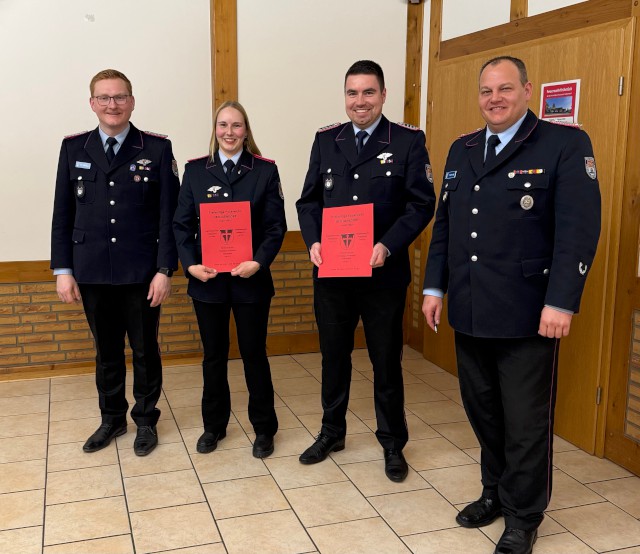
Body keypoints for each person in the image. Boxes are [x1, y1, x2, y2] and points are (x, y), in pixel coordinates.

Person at [422, 56, 601, 554]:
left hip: (529, 314)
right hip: (472, 309)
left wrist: (562, 301)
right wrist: (435, 288)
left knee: (525, 422)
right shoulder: (462, 149)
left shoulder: (564, 144)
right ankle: (494, 494)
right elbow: (447, 228)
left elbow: (578, 232)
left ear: (526, 90)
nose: (494, 99)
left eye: (504, 89)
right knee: (483, 412)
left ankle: (523, 515)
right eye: (486, 91)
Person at [296, 60, 435, 482]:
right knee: (333, 358)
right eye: (353, 93)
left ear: (383, 95)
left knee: (385, 363)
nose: (360, 101)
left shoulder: (408, 141)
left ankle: (393, 444)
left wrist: (388, 245)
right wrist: (314, 240)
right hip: (333, 276)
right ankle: (331, 432)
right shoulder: (326, 141)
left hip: (383, 278)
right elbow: (308, 202)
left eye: (368, 92)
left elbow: (421, 204)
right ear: (345, 97)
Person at [51, 69, 180, 456]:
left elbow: (168, 215)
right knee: (106, 352)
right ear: (92, 103)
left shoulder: (156, 149)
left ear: (132, 101)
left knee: (144, 351)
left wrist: (164, 269)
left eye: (120, 97)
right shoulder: (74, 148)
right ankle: (111, 420)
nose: (112, 104)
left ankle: (145, 420)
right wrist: (63, 270)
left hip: (141, 273)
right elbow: (63, 212)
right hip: (91, 272)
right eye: (104, 98)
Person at [173, 101, 286, 458]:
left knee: (255, 356)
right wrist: (190, 265)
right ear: (215, 129)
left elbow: (274, 227)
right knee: (213, 357)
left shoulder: (264, 171)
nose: (229, 132)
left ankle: (264, 430)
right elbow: (180, 225)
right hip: (208, 282)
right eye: (223, 125)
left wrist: (259, 261)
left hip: (250, 280)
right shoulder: (195, 172)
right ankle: (214, 427)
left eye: (237, 126)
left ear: (246, 130)